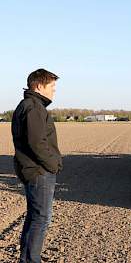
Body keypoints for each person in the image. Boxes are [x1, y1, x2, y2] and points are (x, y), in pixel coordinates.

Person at [12, 69, 62, 262]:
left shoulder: (29, 105)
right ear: (39, 86)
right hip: (38, 171)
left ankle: (27, 258)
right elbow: (37, 143)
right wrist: (53, 164)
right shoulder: (34, 107)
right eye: (52, 87)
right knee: (41, 219)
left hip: (33, 169)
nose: (53, 92)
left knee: (35, 217)